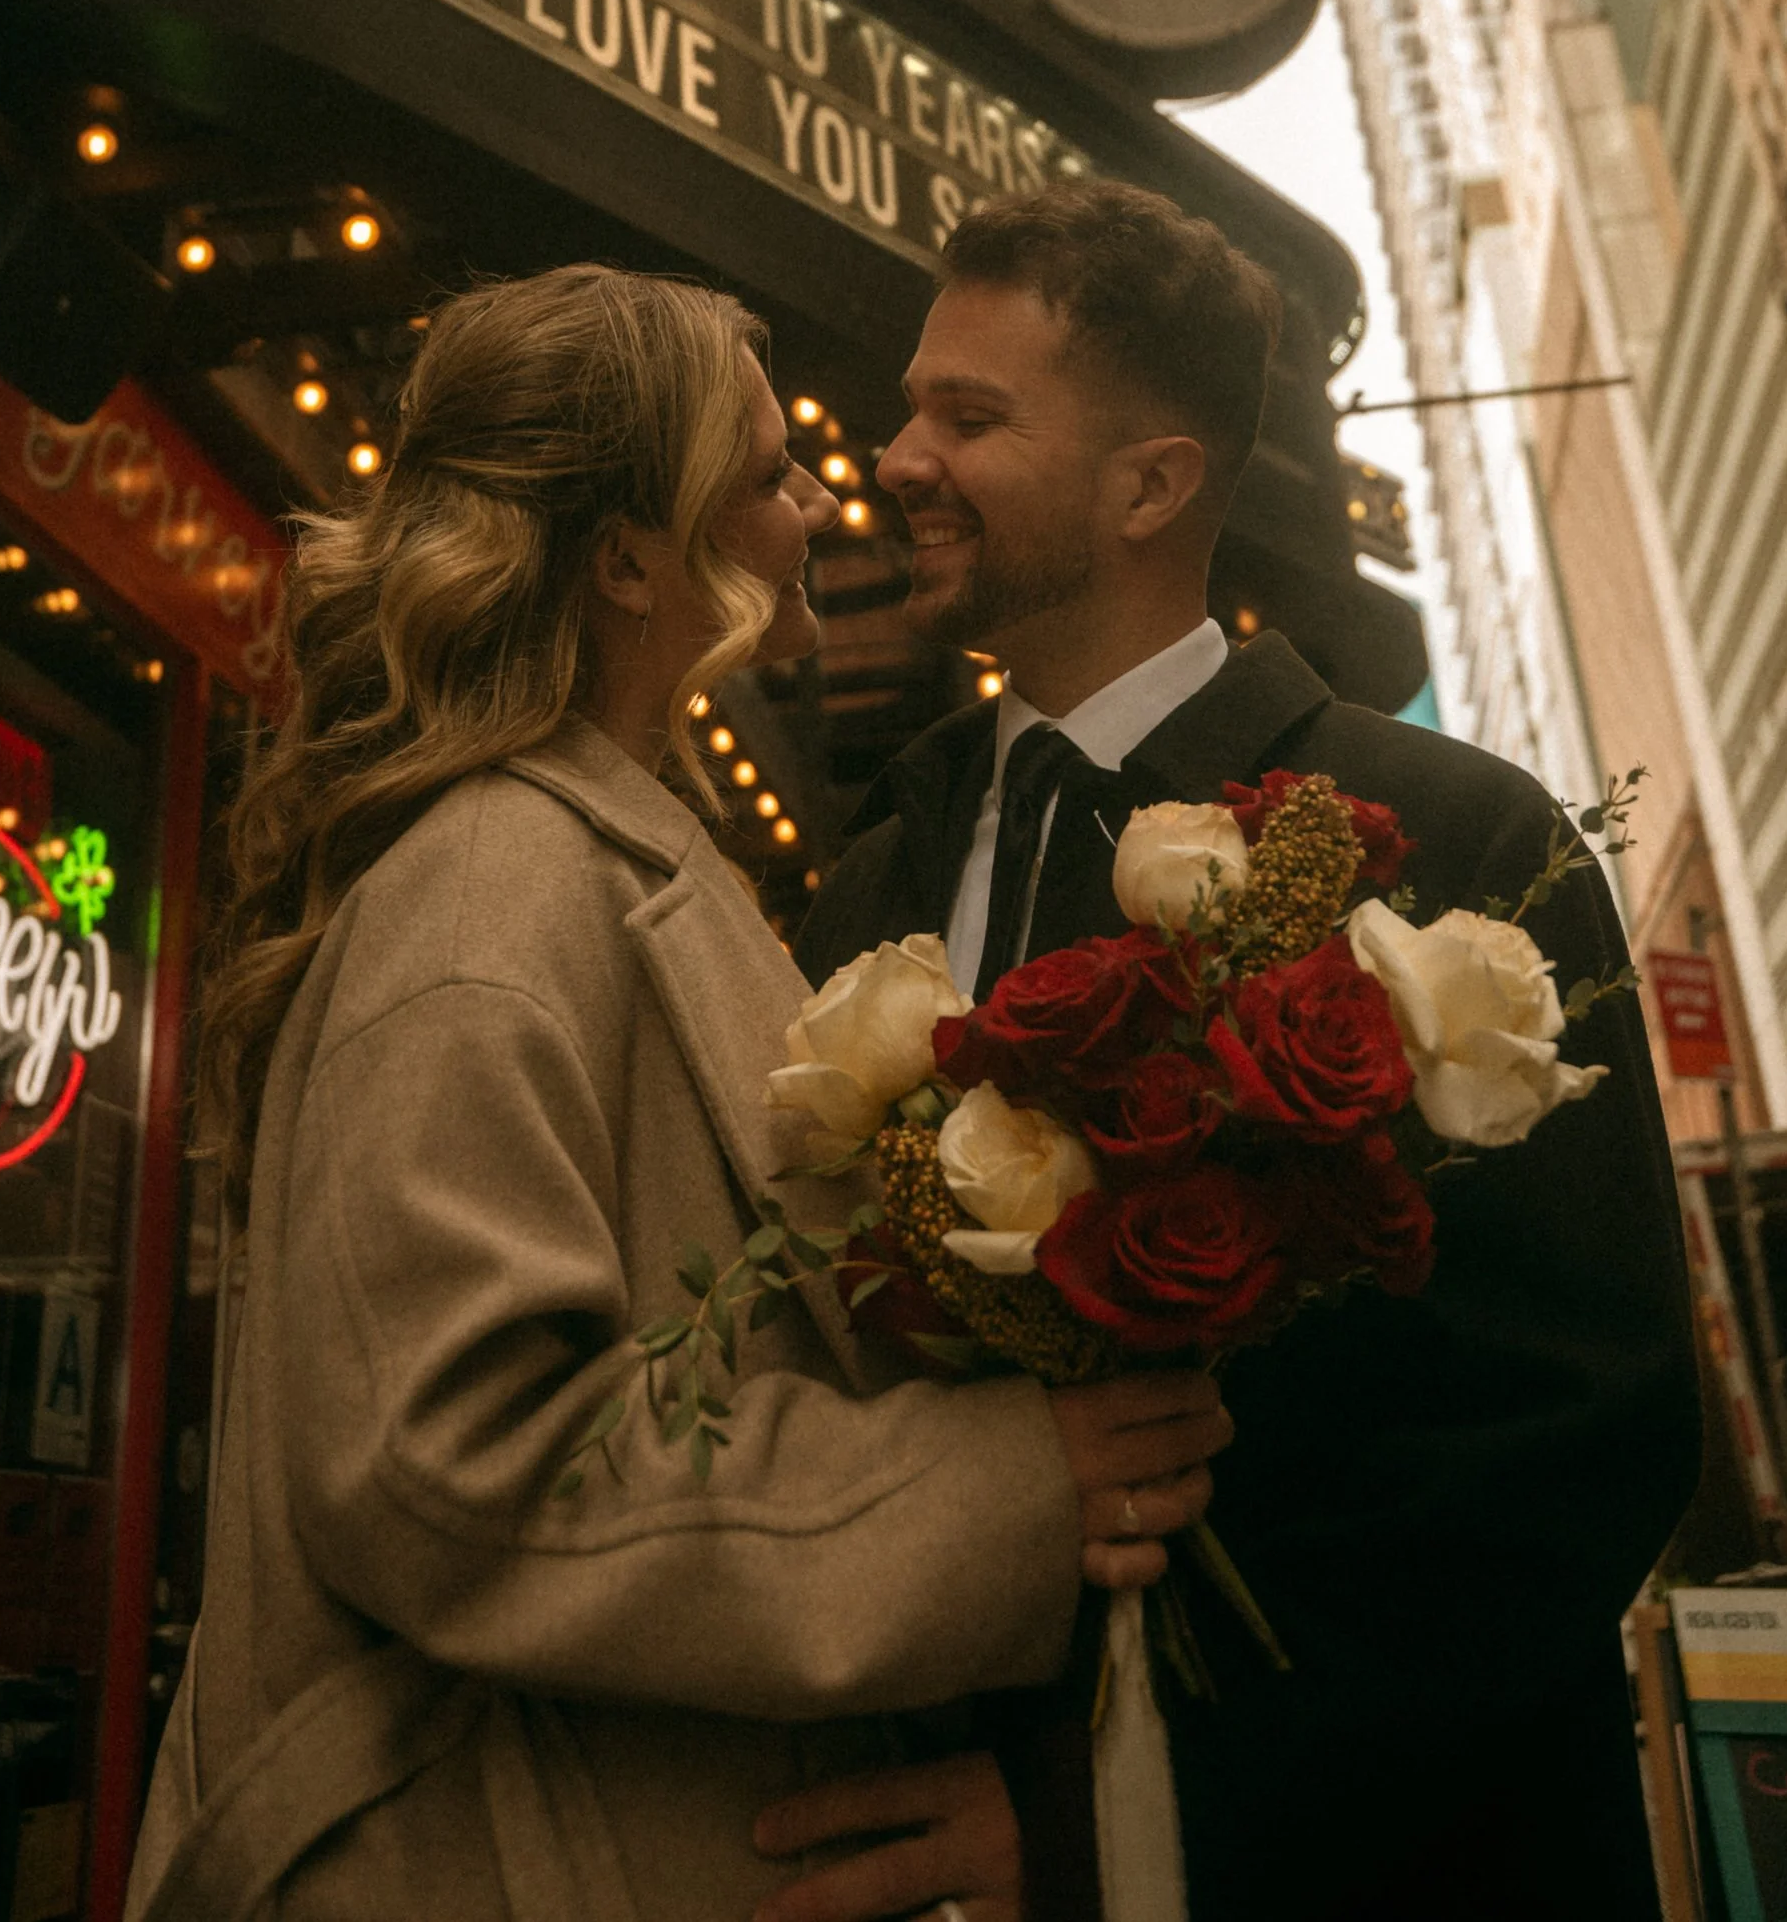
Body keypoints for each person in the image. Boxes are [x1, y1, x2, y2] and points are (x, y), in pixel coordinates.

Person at [127, 261, 1231, 1922]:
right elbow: (446, 1462)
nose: (814, 504)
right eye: (769, 473)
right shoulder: (494, 881)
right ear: (632, 553)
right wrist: (1013, 1482)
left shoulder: (600, 854)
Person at [798, 182, 1703, 1922]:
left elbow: (1584, 1441)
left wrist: (1142, 1812)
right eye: (912, 403)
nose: (897, 456)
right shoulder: (873, 888)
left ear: (1152, 483)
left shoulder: (1457, 838)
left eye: (968, 417)